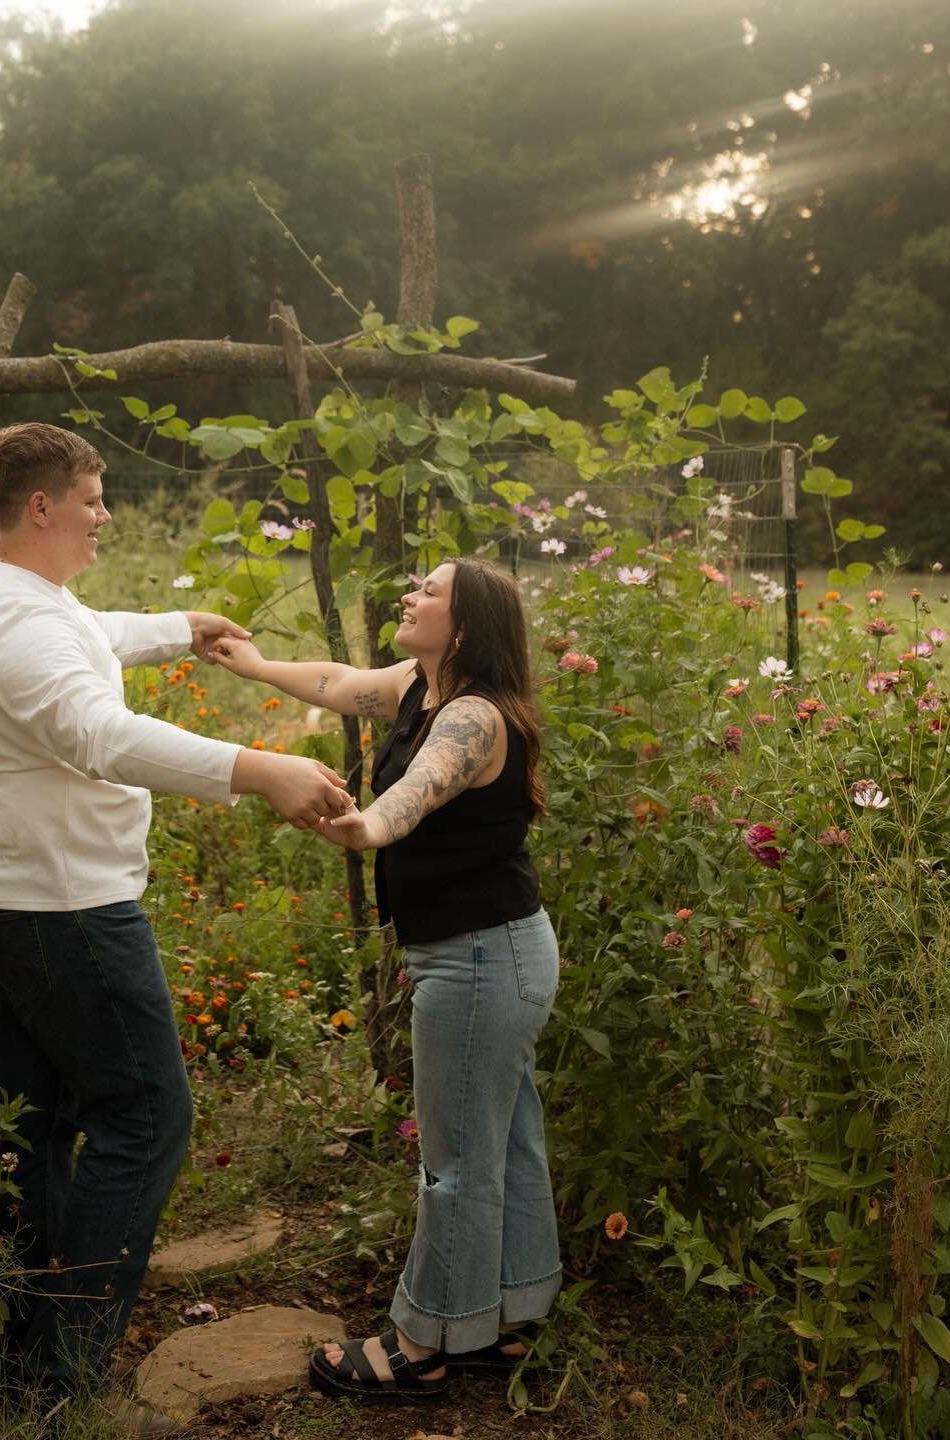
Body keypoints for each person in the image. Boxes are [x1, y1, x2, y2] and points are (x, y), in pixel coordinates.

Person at [0, 422, 352, 1430]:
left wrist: (180, 624)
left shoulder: (7, 595)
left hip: (21, 892)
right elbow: (97, 732)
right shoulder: (15, 621)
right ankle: (61, 1379)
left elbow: (86, 635)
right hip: (67, 908)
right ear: (43, 507)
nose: (105, 513)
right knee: (146, 1118)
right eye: (94, 496)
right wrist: (261, 770)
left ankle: (7, 1359)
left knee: (32, 1130)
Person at [208, 556, 561, 1405]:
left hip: (481, 958)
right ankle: (502, 1321)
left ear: (467, 625)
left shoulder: (473, 716)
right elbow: (336, 682)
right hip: (490, 951)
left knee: (458, 1159)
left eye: (429, 592)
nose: (408, 595)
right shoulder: (421, 683)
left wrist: (366, 825)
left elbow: (423, 790)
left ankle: (421, 1344)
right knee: (502, 1143)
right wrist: (252, 665)